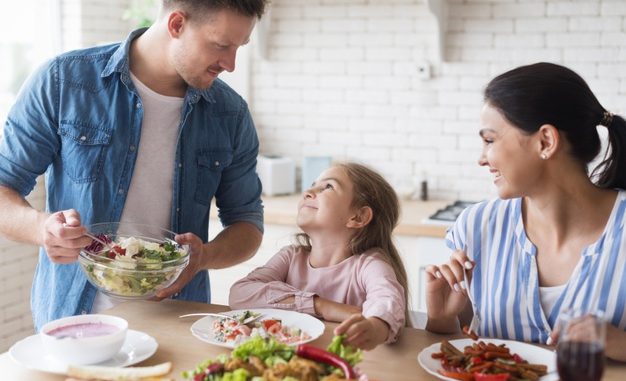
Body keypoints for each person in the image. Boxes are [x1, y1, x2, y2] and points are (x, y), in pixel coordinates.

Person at [0, 0, 268, 331]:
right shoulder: (63, 81)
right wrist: (43, 229)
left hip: (178, 323)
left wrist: (204, 257)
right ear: (176, 25)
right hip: (75, 321)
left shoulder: (231, 114)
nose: (230, 64)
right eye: (221, 45)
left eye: (239, 47)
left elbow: (248, 224)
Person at [425, 62, 626, 361]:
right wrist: (442, 319)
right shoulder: (476, 227)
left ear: (545, 141)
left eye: (490, 140)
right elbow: (464, 352)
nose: (482, 158)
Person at [229, 162, 408, 350]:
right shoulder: (290, 257)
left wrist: (376, 327)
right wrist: (320, 305)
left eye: (328, 186)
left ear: (358, 217)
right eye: (313, 184)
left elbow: (387, 301)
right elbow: (239, 294)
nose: (308, 191)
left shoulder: (369, 265)